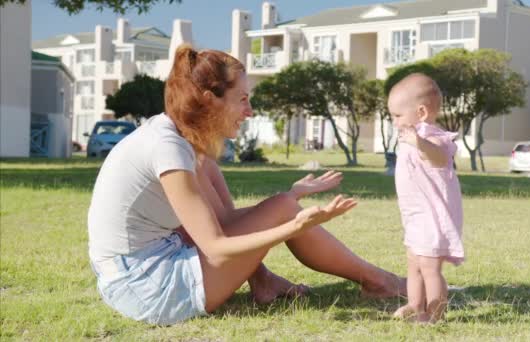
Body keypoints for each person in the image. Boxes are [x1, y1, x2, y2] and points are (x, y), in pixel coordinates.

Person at [87, 44, 407, 325]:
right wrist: (294, 225)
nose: (250, 111)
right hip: (143, 285)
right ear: (210, 100)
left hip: (145, 266)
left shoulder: (187, 142)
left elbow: (225, 221)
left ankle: (268, 283)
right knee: (282, 209)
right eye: (242, 99)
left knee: (281, 204)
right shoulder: (169, 149)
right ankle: (382, 283)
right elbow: (215, 244)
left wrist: (290, 198)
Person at [387, 73, 464, 323]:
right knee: (413, 264)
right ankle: (414, 304)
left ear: (421, 112)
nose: (394, 122)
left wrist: (419, 143)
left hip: (433, 217)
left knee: (430, 268)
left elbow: (441, 158)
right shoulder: (412, 137)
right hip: (415, 216)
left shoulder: (432, 138)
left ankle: (435, 314)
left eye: (397, 116)